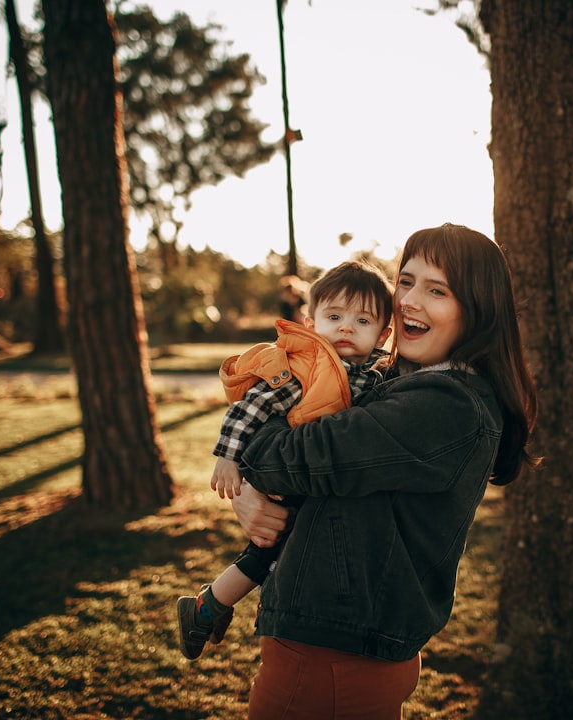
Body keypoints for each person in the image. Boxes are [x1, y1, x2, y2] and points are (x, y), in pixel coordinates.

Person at [230, 223, 539, 719]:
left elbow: (298, 457)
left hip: (335, 657)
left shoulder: (445, 405)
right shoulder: (394, 381)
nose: (409, 300)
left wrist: (250, 465)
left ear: (477, 310)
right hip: (339, 645)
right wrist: (247, 491)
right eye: (407, 281)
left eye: (437, 290)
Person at [177, 260, 394, 661]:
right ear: (311, 324)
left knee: (274, 551)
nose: (346, 327)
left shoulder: (378, 373)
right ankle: (204, 608)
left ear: (383, 334)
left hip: (320, 480)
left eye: (362, 320)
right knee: (268, 549)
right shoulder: (306, 370)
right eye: (334, 316)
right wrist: (228, 458)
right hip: (292, 476)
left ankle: (206, 608)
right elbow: (251, 407)